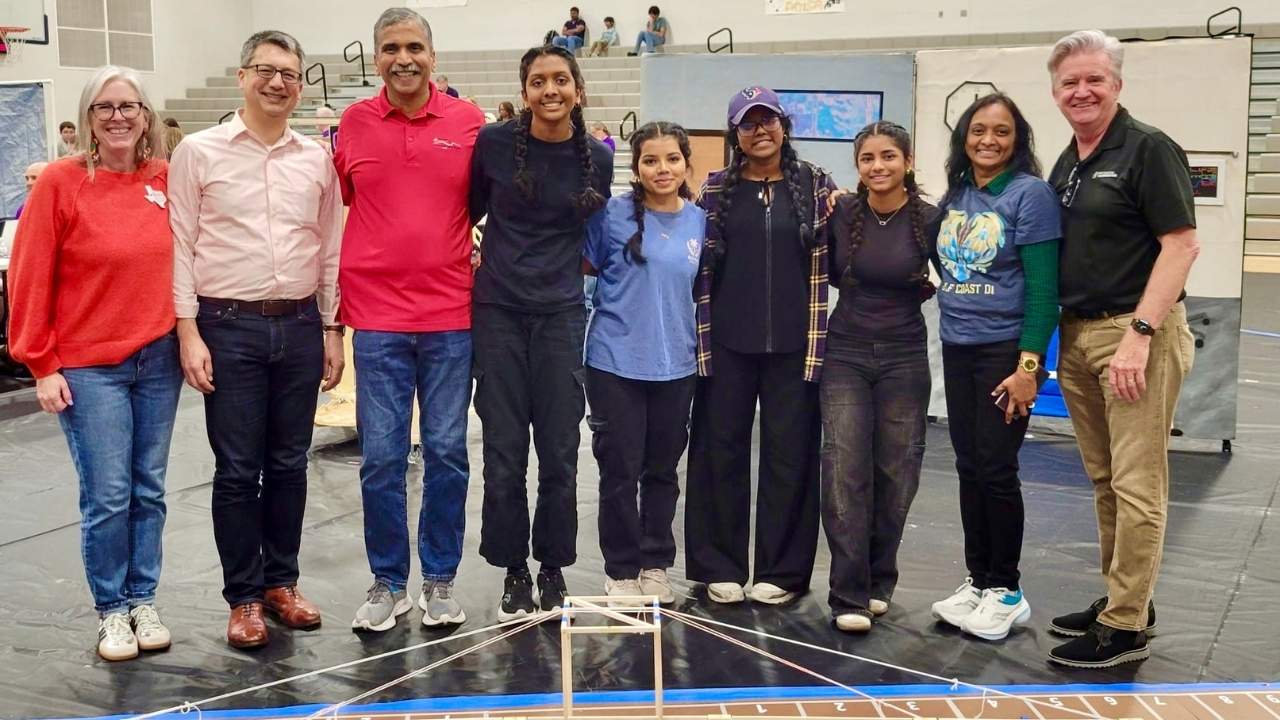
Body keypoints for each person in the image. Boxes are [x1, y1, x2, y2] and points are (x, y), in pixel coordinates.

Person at [168, 30, 344, 650]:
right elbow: (180, 245)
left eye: (290, 74)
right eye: (266, 70)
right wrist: (187, 329)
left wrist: (331, 326)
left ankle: (280, 584)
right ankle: (243, 596)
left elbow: (329, 248)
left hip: (299, 325)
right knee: (239, 470)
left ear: (301, 85)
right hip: (227, 326)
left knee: (290, 464)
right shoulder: (198, 151)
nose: (278, 82)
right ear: (242, 77)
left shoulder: (317, 158)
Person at [8, 65, 180, 662]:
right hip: (89, 367)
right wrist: (41, 363)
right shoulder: (60, 183)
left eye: (128, 106)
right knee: (108, 494)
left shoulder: (164, 178)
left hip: (158, 360)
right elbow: (30, 276)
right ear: (88, 118)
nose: (118, 117)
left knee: (149, 490)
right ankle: (111, 609)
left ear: (146, 116)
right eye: (104, 107)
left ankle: (143, 599)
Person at [1042, 30, 1198, 669]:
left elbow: (1181, 245)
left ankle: (1125, 625)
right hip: (1078, 335)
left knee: (1138, 483)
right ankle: (1124, 597)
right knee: (1106, 478)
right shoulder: (1070, 160)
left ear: (1117, 84)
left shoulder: (1148, 149)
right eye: (1069, 82)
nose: (1081, 91)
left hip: (1132, 337)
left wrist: (1140, 335)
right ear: (1056, 92)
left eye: (1094, 79)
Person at [338, 7, 484, 633]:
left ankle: (440, 578)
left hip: (451, 315)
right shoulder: (353, 123)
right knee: (381, 457)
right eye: (391, 48)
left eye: (414, 47)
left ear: (432, 55)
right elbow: (347, 202)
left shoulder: (468, 121)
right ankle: (389, 582)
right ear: (376, 58)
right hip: (377, 320)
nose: (404, 59)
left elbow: (487, 202)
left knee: (447, 451)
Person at [469, 44, 612, 619]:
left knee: (559, 453)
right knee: (504, 454)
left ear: (577, 89)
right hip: (499, 314)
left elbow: (597, 232)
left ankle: (552, 565)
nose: (550, 90)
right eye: (538, 81)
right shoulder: (493, 144)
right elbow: (468, 209)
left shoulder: (597, 158)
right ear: (524, 90)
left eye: (560, 79)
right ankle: (513, 568)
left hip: (560, 316)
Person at [685, 86, 836, 607]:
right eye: (748, 124)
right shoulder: (714, 189)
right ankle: (719, 565)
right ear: (736, 134)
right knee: (718, 453)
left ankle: (782, 570)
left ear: (784, 125)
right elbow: (696, 266)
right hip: (726, 345)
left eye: (767, 120)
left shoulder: (816, 184)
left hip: (796, 348)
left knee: (790, 457)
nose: (760, 130)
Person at [927, 94, 1060, 641]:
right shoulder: (959, 192)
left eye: (1001, 131)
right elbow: (941, 261)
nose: (988, 140)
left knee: (997, 467)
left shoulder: (1031, 195)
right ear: (964, 137)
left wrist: (1029, 367)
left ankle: (1007, 590)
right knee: (969, 465)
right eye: (978, 129)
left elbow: (1044, 291)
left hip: (1004, 352)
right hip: (958, 346)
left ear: (1018, 139)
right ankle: (979, 580)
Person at [820, 122, 940, 632]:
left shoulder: (930, 219)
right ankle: (847, 592)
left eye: (888, 156)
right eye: (867, 158)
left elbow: (958, 275)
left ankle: (878, 579)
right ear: (857, 166)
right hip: (845, 353)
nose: (878, 166)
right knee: (844, 469)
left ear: (908, 161)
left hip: (904, 356)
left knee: (898, 472)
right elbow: (822, 270)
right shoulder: (842, 211)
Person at [583, 121, 705, 605]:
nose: (662, 169)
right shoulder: (610, 216)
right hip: (614, 363)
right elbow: (582, 268)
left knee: (662, 472)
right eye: (651, 160)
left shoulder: (699, 221)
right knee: (619, 471)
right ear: (636, 167)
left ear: (686, 164)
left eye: (672, 159)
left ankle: (656, 564)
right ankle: (621, 570)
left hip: (676, 365)